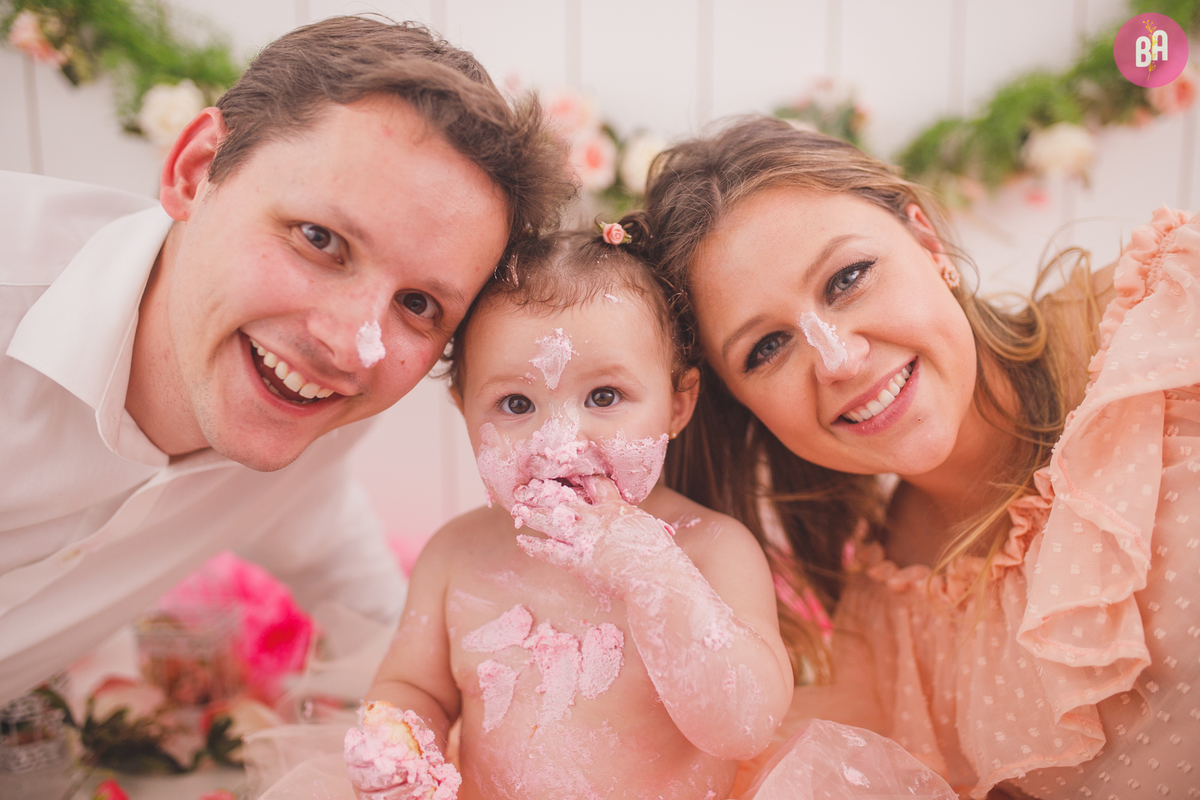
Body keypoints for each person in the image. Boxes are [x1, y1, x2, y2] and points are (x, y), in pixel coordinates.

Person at [0, 16, 573, 707]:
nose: (349, 343)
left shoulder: (302, 410)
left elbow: (350, 579)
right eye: (319, 239)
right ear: (194, 169)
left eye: (418, 305)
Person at [639, 115, 1200, 798]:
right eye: (767, 348)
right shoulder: (886, 632)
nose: (838, 359)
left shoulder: (1170, 321)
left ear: (925, 240)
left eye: (848, 278)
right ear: (744, 407)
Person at [349, 225, 795, 800]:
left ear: (678, 404)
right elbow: (415, 687)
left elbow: (745, 726)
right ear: (463, 412)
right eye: (516, 404)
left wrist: (652, 573)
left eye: (604, 397)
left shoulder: (712, 550)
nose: (558, 442)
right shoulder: (455, 557)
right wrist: (400, 744)